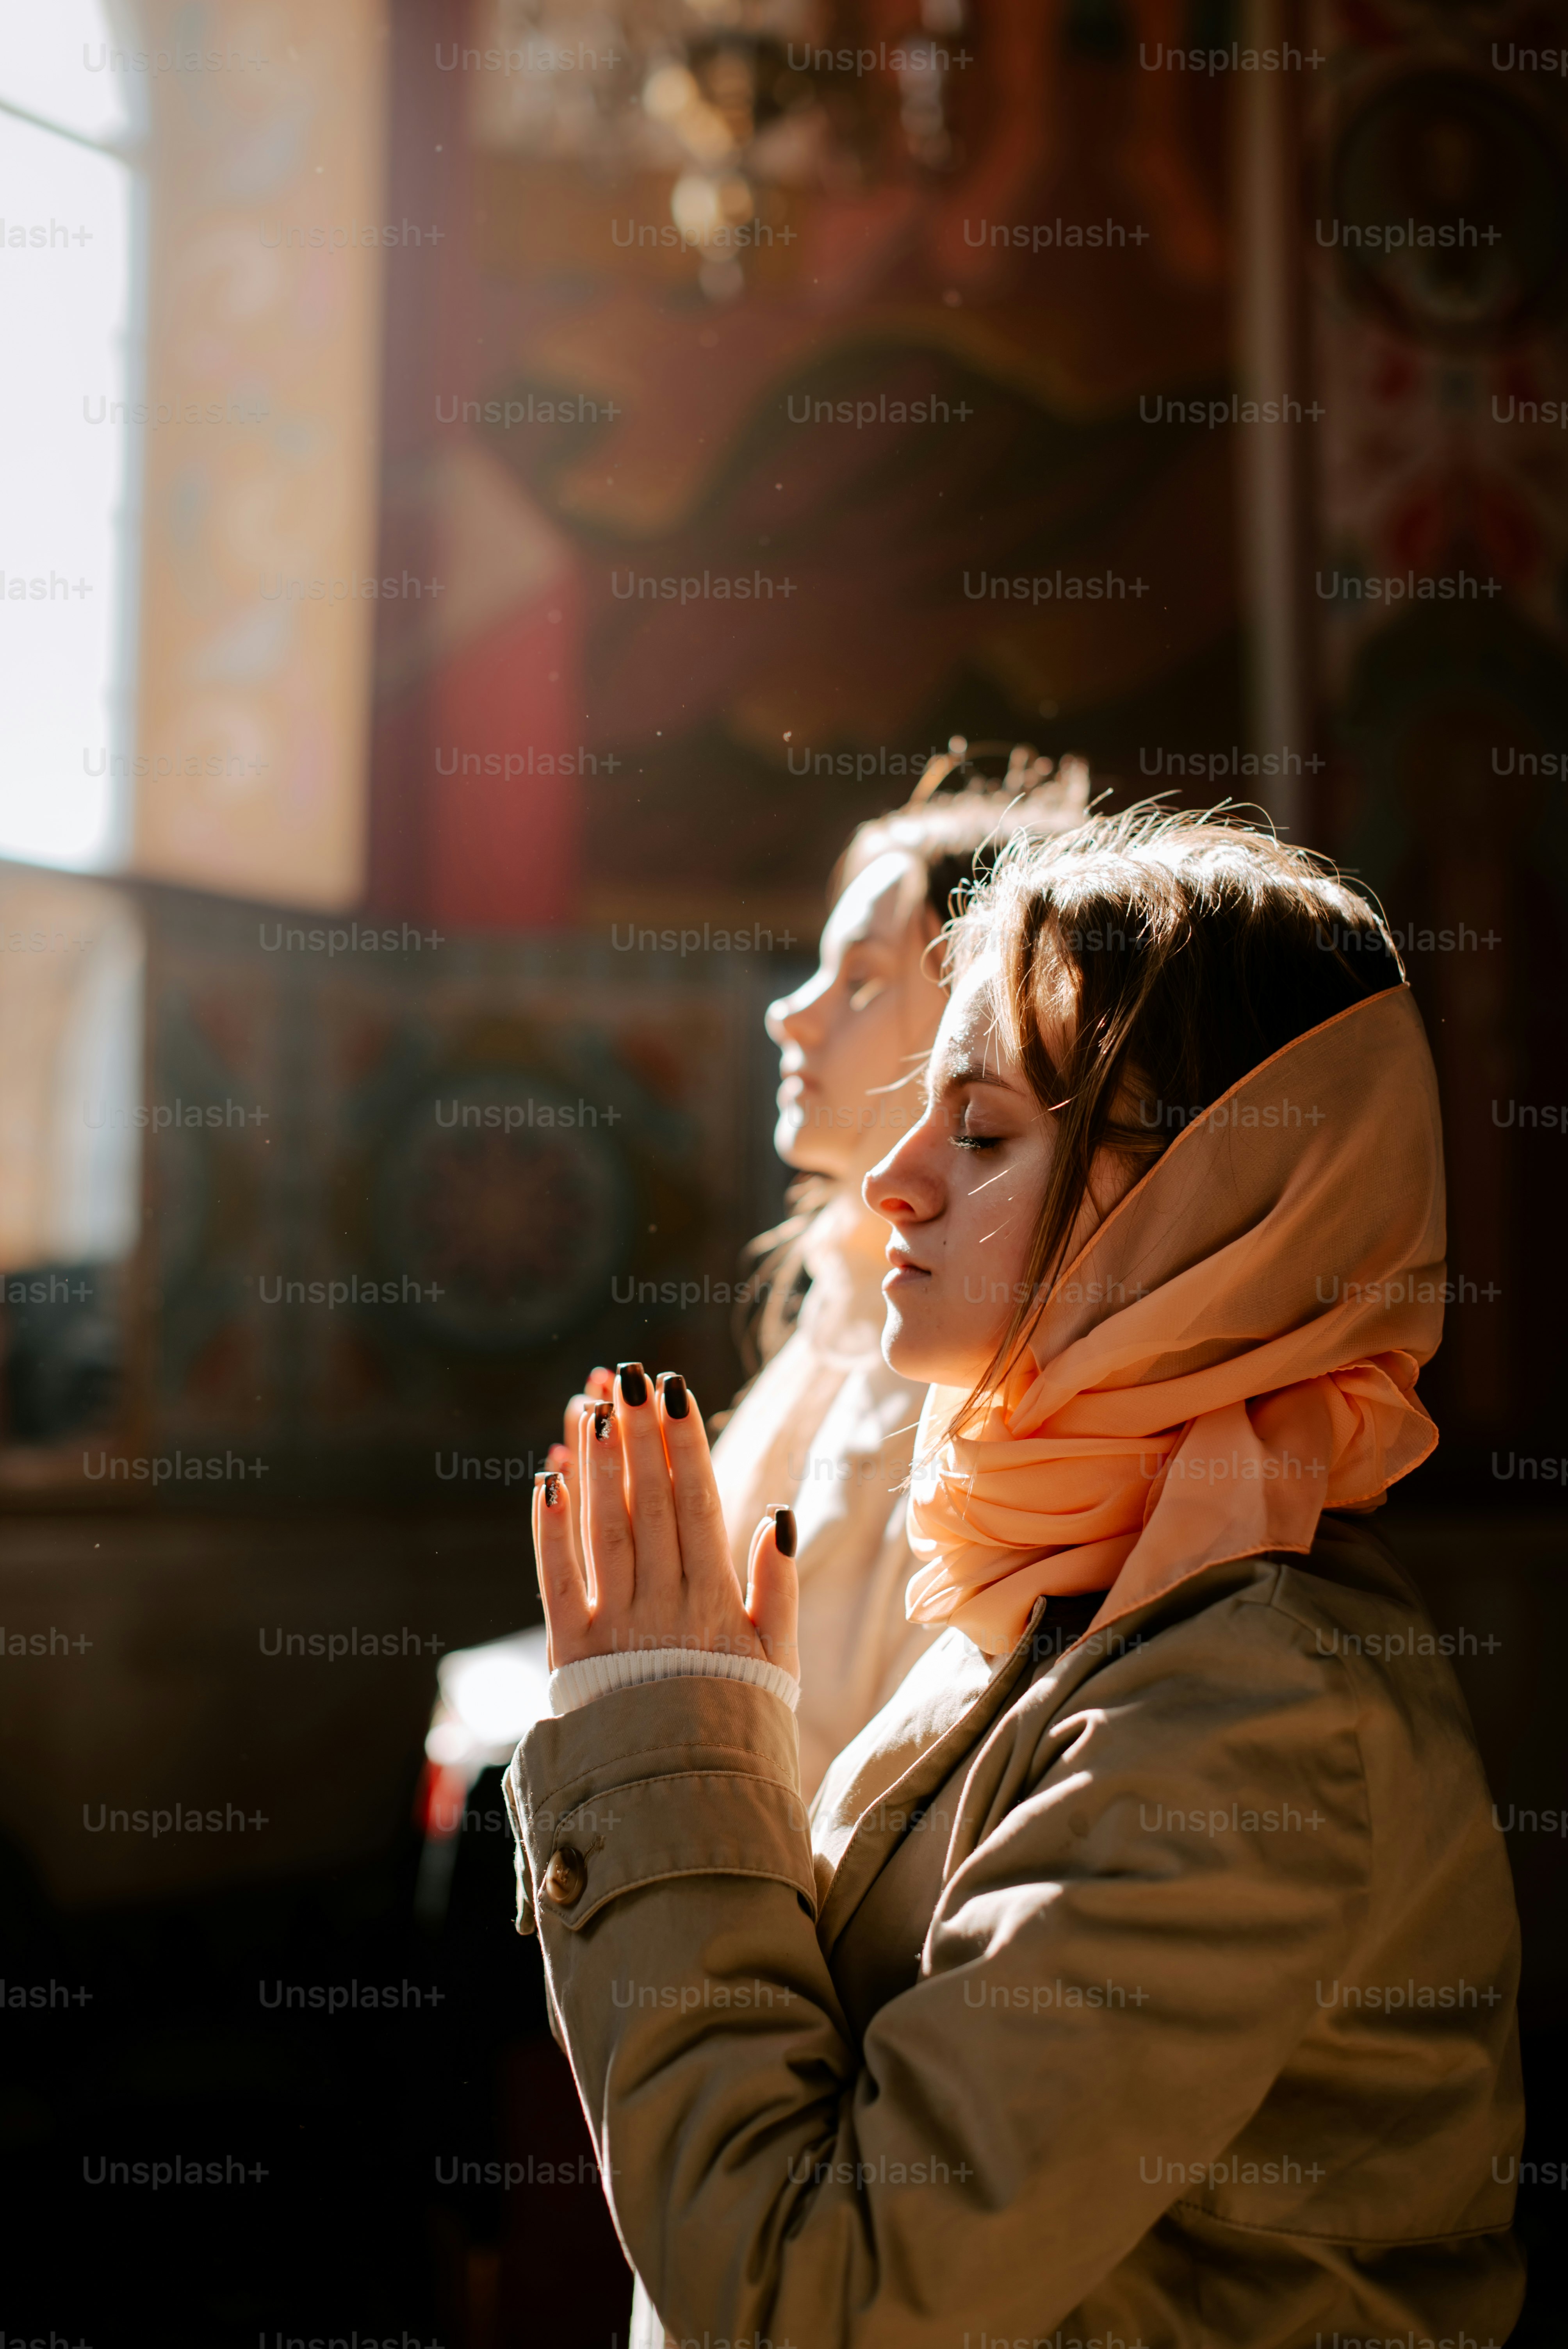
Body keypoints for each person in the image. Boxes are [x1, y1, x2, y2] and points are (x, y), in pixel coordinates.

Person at [510, 804, 1523, 2349]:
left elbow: (826, 2301)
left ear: (1206, 1205)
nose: (897, 1181)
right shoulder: (1073, 1584)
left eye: (982, 1133)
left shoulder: (1253, 1717)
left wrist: (667, 1754)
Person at [429, 745, 1087, 1802]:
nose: (792, 1013)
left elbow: (869, 1793)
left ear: (985, 1024)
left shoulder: (974, 1386)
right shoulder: (838, 1310)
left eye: (863, 981)